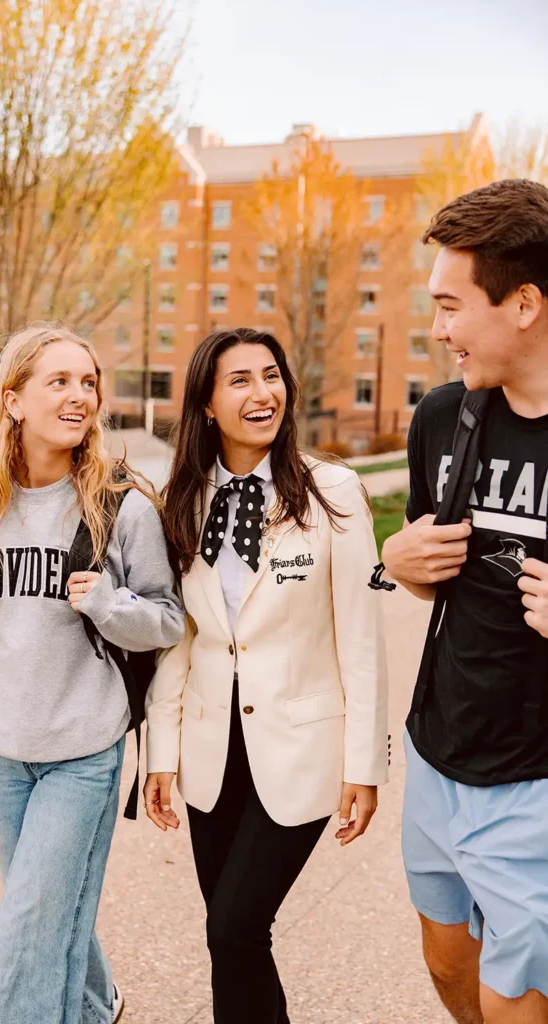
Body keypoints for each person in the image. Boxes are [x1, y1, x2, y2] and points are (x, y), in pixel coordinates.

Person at [0, 323, 184, 1024]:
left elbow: (165, 619)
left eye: (87, 382)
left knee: (30, 916)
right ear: (15, 401)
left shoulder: (121, 505)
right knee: (48, 901)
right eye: (58, 382)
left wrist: (111, 605)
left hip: (81, 750)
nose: (79, 396)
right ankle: (95, 1004)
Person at [144, 327, 389, 1024]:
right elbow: (179, 642)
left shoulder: (332, 494)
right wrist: (161, 754)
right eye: (240, 380)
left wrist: (363, 765)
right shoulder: (183, 499)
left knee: (233, 928)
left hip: (301, 749)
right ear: (206, 406)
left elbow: (361, 639)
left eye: (270, 375)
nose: (263, 393)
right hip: (209, 751)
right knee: (234, 938)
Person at [382, 179, 548, 1024]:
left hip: (536, 781)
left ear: (522, 303)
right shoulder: (443, 416)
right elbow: (419, 564)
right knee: (450, 968)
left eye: (451, 306)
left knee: (513, 998)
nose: (438, 329)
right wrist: (397, 559)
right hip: (437, 749)